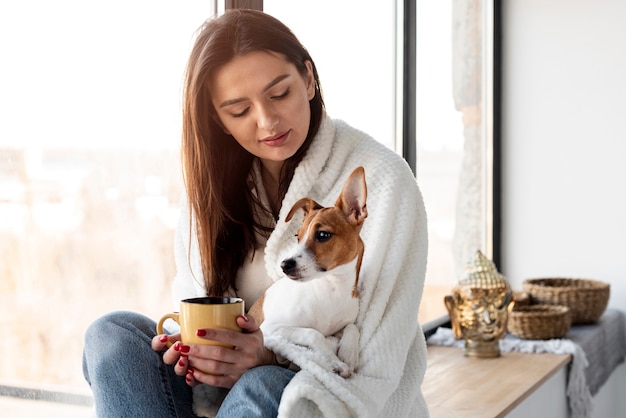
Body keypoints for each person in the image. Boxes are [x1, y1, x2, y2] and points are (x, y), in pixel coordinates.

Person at [83, 8, 429, 418]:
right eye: (239, 110)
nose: (267, 121)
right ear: (218, 119)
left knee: (262, 385)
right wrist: (191, 351)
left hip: (312, 395)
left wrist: (267, 356)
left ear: (309, 78)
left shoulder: (382, 178)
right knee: (111, 334)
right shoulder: (210, 189)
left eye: (279, 93)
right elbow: (195, 302)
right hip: (217, 398)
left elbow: (374, 358)